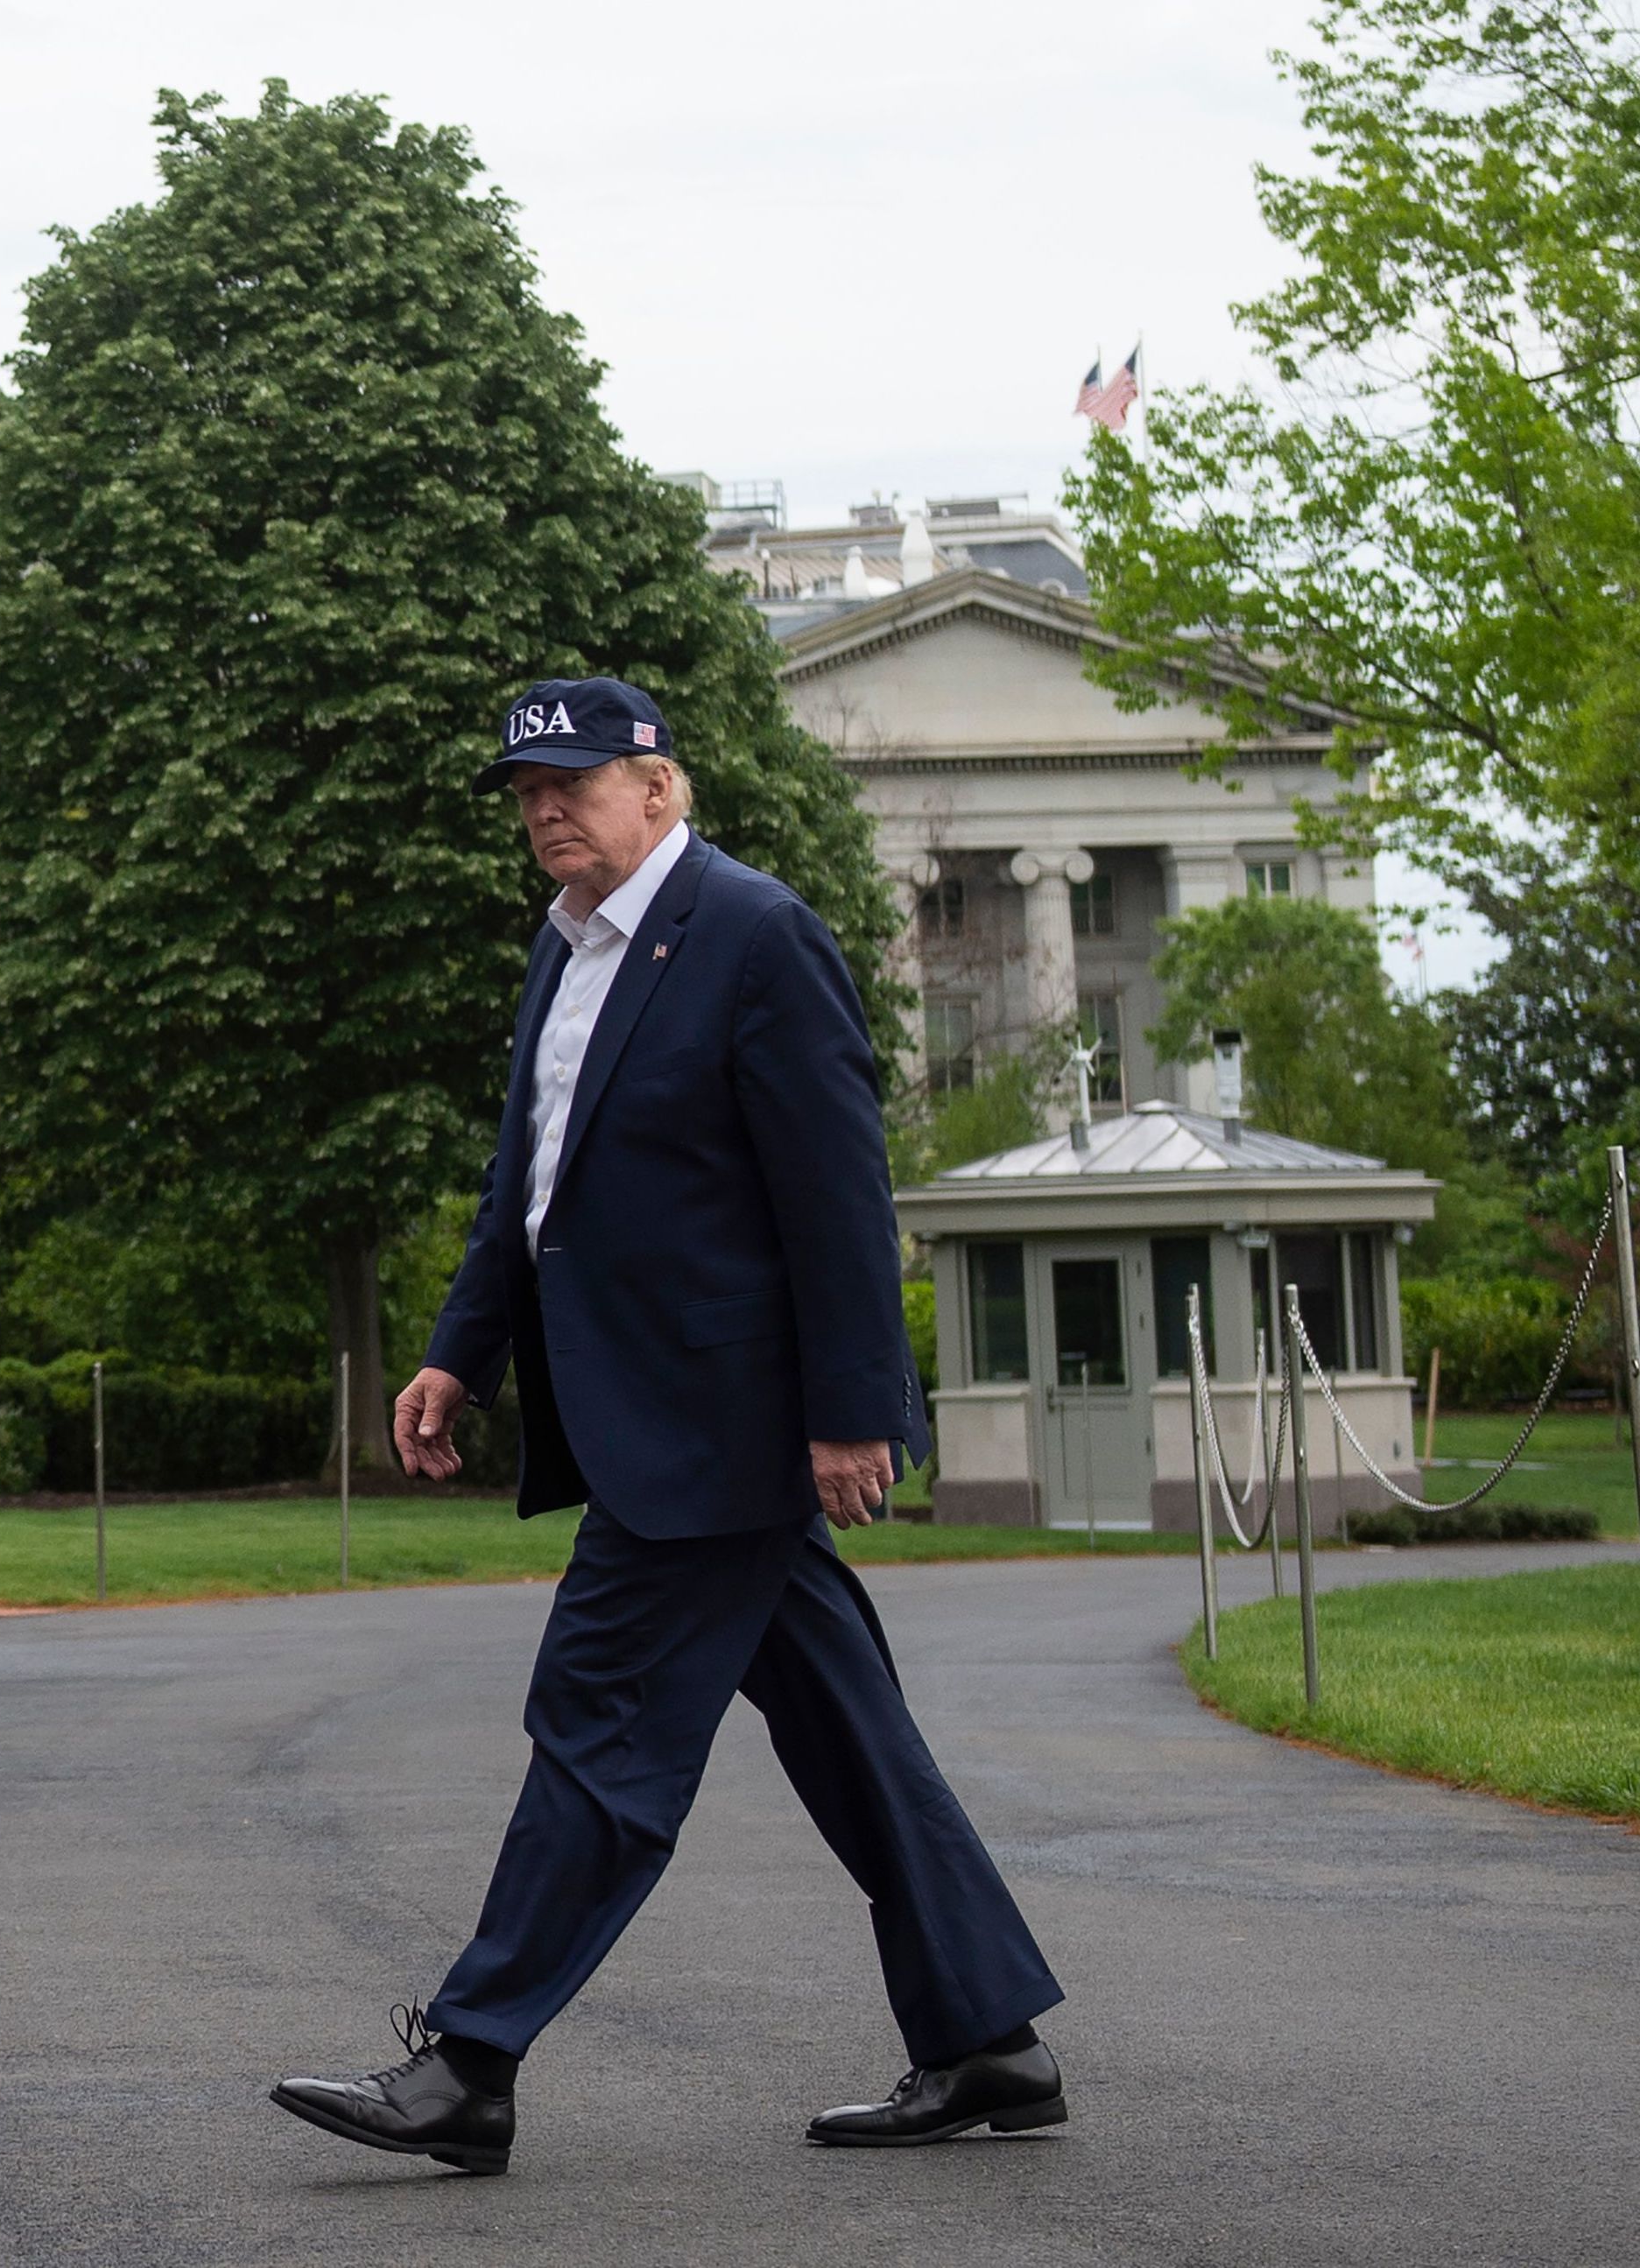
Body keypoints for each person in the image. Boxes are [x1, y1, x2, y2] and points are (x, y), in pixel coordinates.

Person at [269, 678, 1066, 2177]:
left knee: (598, 1724)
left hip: (720, 1429)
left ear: (662, 788)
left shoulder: (753, 934)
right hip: (654, 1414)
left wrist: (849, 1410)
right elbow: (534, 1188)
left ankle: (470, 2065)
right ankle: (986, 2041)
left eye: (572, 778)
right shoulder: (564, 950)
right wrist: (462, 1355)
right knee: (851, 1737)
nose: (544, 806)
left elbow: (837, 1194)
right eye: (523, 789)